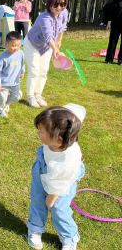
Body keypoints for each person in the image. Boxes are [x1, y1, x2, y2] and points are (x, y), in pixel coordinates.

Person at [27, 104, 86, 250]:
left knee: (58, 208)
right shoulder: (65, 123)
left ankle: (69, 237)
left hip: (63, 179)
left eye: (41, 132)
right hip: (43, 164)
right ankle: (35, 227)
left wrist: (51, 198)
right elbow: (73, 111)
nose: (38, 133)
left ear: (58, 139)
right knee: (37, 199)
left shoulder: (68, 161)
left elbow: (59, 184)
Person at [24, 0, 68, 108]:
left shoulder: (64, 13)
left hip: (47, 46)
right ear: (50, 3)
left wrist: (59, 41)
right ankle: (30, 97)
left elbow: (63, 27)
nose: (59, 8)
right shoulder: (44, 17)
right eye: (56, 4)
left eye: (62, 4)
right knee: (34, 71)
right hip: (32, 44)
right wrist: (54, 48)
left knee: (43, 71)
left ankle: (38, 94)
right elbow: (48, 34)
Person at [0, 31, 25, 118]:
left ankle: (6, 104)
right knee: (1, 98)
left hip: (15, 82)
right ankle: (0, 110)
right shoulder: (2, 57)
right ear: (6, 44)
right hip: (3, 83)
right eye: (13, 45)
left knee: (18, 96)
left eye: (18, 45)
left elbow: (22, 63)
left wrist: (22, 72)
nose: (16, 48)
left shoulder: (20, 53)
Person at [105, 0, 122, 65]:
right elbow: (111, 8)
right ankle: (113, 59)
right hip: (116, 21)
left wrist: (109, 21)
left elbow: (110, 8)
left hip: (116, 21)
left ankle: (113, 59)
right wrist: (109, 21)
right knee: (113, 40)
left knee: (113, 40)